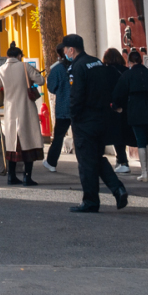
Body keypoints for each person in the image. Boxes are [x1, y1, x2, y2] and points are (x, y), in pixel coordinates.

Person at [60, 34, 128, 212]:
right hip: (102, 118)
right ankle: (117, 188)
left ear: (71, 50)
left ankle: (90, 201)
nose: (64, 53)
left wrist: (73, 117)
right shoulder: (97, 62)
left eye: (65, 49)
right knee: (96, 158)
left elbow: (76, 95)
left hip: (85, 120)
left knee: (86, 162)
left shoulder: (77, 66)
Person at [0, 43, 42, 185]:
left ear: (7, 56)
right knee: (29, 142)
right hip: (26, 109)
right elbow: (41, 81)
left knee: (12, 145)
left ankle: (11, 176)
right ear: (19, 56)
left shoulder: (1, 69)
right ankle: (27, 177)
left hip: (10, 110)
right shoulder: (25, 66)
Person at [114, 49, 148, 182]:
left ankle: (145, 173)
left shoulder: (127, 75)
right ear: (141, 60)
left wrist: (116, 106)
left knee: (140, 139)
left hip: (135, 108)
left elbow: (119, 93)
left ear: (129, 62)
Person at [41, 45, 75, 173]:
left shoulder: (57, 69)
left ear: (59, 54)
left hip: (63, 107)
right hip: (80, 106)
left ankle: (51, 162)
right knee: (82, 136)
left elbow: (51, 87)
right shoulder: (79, 65)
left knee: (59, 136)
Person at [101, 48, 133, 172]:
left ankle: (122, 161)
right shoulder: (126, 71)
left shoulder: (104, 71)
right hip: (126, 106)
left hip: (111, 106)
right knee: (124, 133)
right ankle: (122, 160)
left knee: (115, 134)